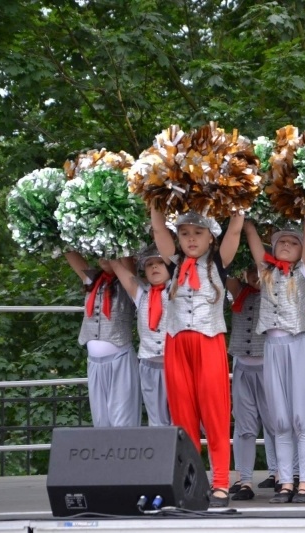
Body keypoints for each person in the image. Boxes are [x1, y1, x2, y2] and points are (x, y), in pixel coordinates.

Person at [150, 207, 244, 508]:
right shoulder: (174, 263)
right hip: (176, 343)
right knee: (183, 415)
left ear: (210, 239)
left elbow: (235, 232)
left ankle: (220, 483)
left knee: (215, 413)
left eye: (198, 233)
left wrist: (238, 205)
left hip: (208, 342)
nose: (190, 239)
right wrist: (155, 203)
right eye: (185, 233)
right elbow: (158, 232)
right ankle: (190, 482)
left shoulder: (218, 262)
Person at [244, 218, 305, 504]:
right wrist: (247, 220)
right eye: (281, 242)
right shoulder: (266, 272)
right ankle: (286, 481)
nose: (286, 245)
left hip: (299, 344)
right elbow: (252, 239)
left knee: (301, 417)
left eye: (293, 242)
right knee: (280, 420)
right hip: (272, 348)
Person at [64, 251, 141, 427]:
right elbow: (70, 254)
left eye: (110, 252)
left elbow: (127, 263)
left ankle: (126, 453)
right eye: (101, 252)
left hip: (120, 358)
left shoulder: (129, 284)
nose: (104, 256)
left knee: (123, 420)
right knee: (101, 421)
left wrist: (117, 243)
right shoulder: (92, 281)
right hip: (94, 362)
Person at [109, 245, 174, 426]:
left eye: (160, 262)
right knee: (157, 421)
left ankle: (180, 454)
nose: (154, 267)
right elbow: (121, 272)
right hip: (150, 365)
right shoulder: (141, 293)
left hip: (175, 365)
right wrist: (109, 251)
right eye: (149, 264)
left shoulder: (179, 289)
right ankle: (161, 454)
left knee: (180, 419)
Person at [225, 264, 269, 501]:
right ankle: (245, 480)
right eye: (250, 269)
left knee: (275, 424)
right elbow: (224, 270)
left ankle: (283, 476)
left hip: (268, 368)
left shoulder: (276, 289)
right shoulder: (238, 290)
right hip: (242, 367)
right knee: (244, 427)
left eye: (259, 269)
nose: (255, 275)